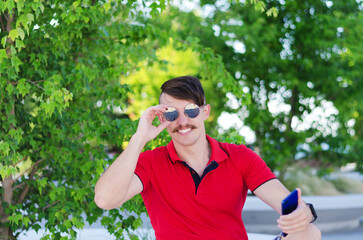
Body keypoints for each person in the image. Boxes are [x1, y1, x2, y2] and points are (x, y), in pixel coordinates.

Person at [94, 76, 321, 240]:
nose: (183, 122)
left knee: (309, 234)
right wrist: (139, 138)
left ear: (205, 112)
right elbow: (105, 200)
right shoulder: (151, 162)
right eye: (172, 114)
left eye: (191, 110)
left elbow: (288, 203)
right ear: (163, 118)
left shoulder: (240, 157)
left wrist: (304, 213)